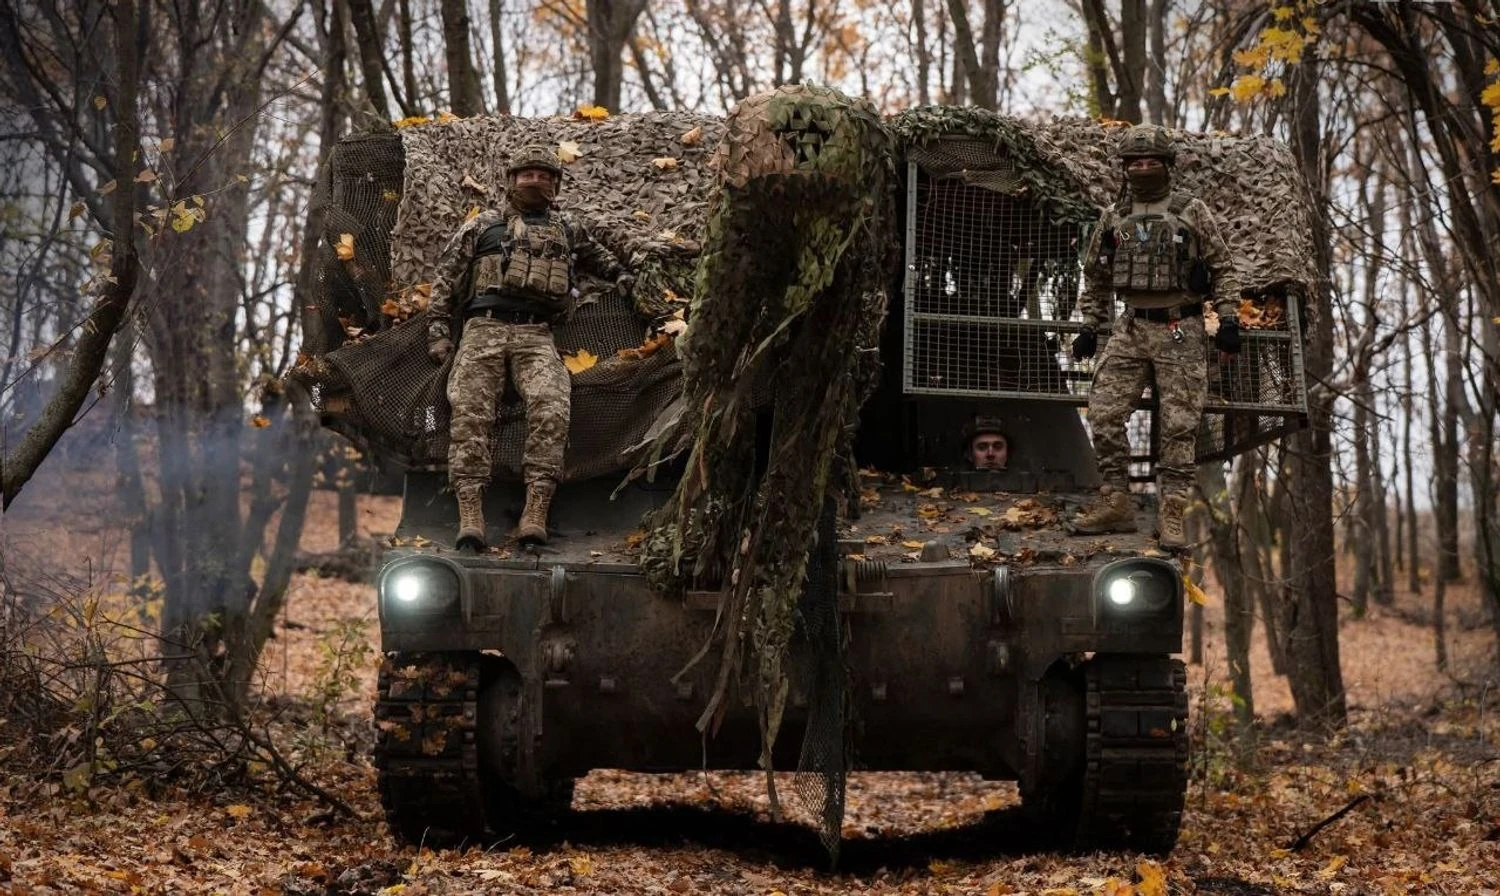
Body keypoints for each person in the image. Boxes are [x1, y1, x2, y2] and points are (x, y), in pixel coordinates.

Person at [427, 145, 634, 549]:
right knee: (469, 410)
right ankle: (471, 514)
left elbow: (603, 259)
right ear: (511, 181)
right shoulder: (482, 226)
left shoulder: (568, 229)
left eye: (544, 175)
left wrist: (626, 277)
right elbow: (446, 278)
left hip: (536, 335)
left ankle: (535, 510)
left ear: (555, 184)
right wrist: (438, 330)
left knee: (552, 404)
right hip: (482, 330)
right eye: (528, 174)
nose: (535, 181)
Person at [1069, 124, 1242, 549]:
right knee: (1105, 413)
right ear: (1125, 167)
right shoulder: (1114, 217)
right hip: (1131, 328)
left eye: (1151, 161)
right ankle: (1116, 501)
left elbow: (1223, 267)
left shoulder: (1191, 210)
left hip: (1180, 328)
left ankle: (1172, 512)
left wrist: (1229, 318)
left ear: (1167, 165)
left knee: (1180, 426)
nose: (1143, 168)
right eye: (1135, 162)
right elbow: (1095, 275)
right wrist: (1091, 324)